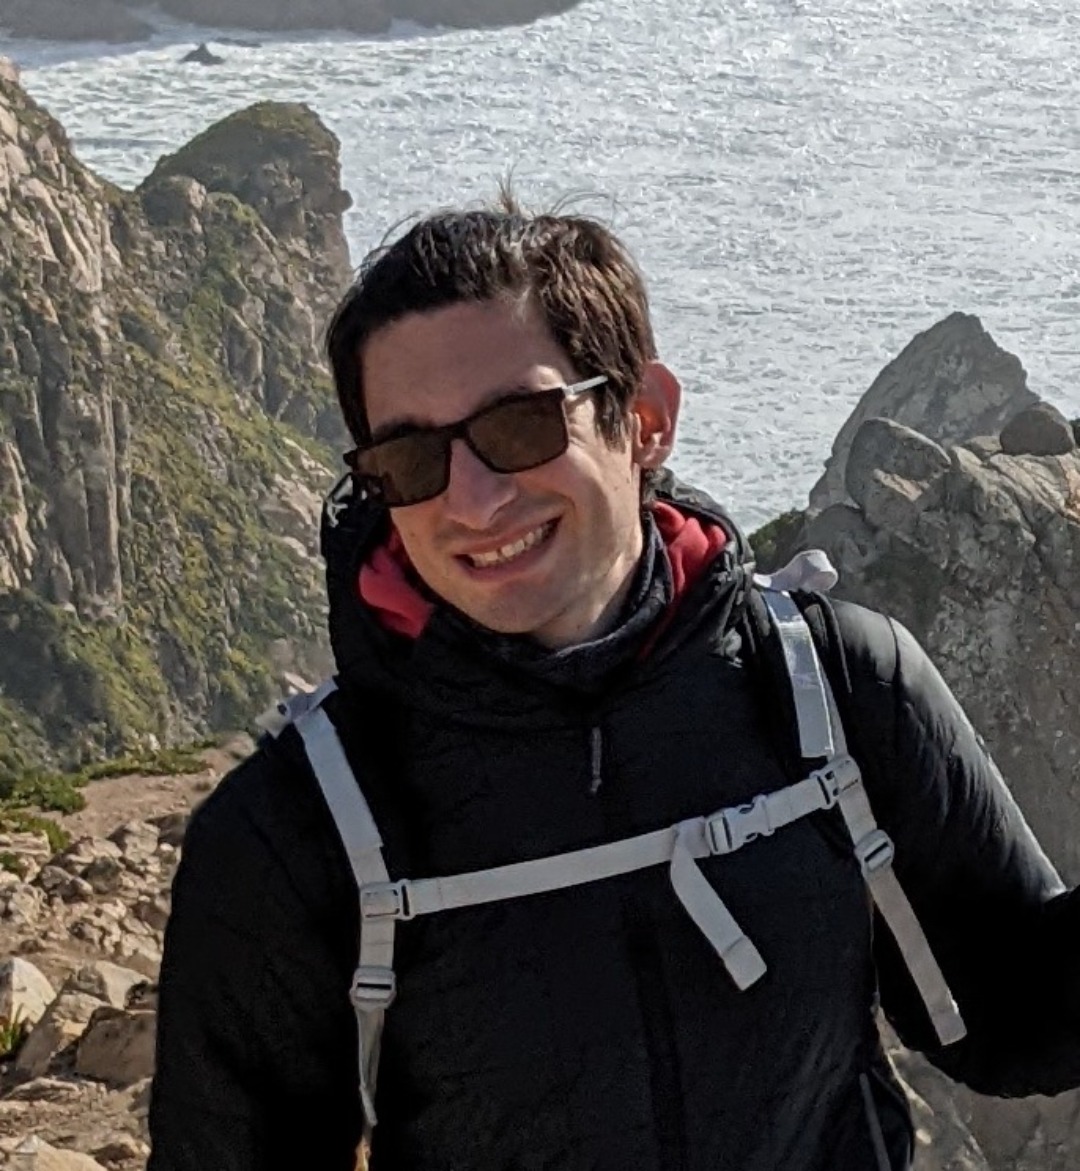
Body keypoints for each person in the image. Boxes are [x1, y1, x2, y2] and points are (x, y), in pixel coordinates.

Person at [148, 195, 1080, 1171]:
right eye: (412, 458)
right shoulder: (298, 828)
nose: (474, 499)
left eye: (519, 425)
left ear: (644, 421)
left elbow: (1011, 1016)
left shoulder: (836, 688)